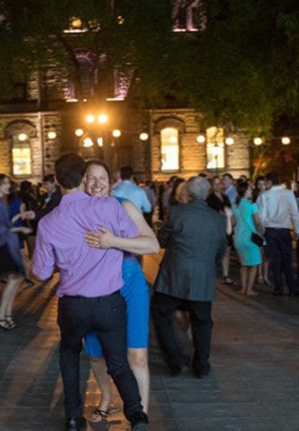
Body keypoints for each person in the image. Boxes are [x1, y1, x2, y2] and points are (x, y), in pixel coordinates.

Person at [32, 154, 150, 431]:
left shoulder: (48, 222)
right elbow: (132, 241)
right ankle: (137, 415)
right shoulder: (109, 207)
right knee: (118, 362)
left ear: (57, 181)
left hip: (73, 305)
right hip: (108, 302)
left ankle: (73, 418)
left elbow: (41, 272)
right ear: (84, 179)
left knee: (70, 355)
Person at [80, 160, 159, 421]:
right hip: (95, 289)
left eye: (102, 177)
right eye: (91, 178)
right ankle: (105, 395)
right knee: (96, 355)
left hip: (130, 286)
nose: (97, 183)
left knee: (136, 355)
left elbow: (152, 245)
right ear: (83, 181)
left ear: (111, 181)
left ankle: (141, 416)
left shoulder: (124, 206)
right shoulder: (77, 210)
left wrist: (112, 241)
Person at [151, 176, 228, 378]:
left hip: (174, 277)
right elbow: (221, 250)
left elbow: (161, 241)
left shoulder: (177, 213)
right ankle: (201, 365)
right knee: (202, 321)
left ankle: (175, 359)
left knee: (160, 312)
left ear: (189, 194)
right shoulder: (218, 219)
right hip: (202, 277)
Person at [0, 174, 33, 330]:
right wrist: (21, 227)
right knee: (14, 279)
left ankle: (6, 315)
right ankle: (1, 315)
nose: (8, 186)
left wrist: (19, 217)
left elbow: (4, 223)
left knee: (16, 279)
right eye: (5, 183)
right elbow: (4, 228)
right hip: (3, 246)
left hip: (4, 245)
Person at [257, 172, 299, 297]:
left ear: (270, 182)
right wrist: (297, 229)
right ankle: (292, 288)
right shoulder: (288, 194)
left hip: (270, 230)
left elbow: (261, 216)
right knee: (287, 259)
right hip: (284, 229)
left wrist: (261, 231)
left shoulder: (265, 196)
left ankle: (278, 288)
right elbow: (295, 212)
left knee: (275, 260)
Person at [231, 179, 263, 296]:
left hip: (238, 238)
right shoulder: (252, 205)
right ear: (245, 191)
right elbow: (257, 221)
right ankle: (249, 289)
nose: (252, 190)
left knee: (244, 264)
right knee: (254, 265)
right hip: (250, 239)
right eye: (250, 189)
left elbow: (233, 222)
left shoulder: (235, 205)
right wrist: (261, 231)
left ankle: (243, 288)